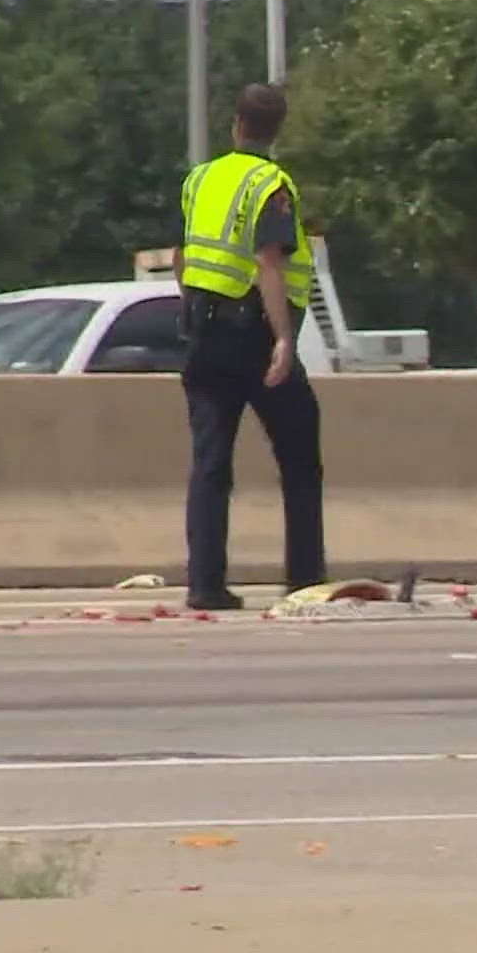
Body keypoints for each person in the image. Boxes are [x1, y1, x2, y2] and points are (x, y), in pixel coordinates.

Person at [173, 83, 326, 611]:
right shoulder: (271, 183)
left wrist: (192, 313)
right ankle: (305, 578)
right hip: (252, 334)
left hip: (203, 333)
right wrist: (283, 339)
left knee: (210, 462)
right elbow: (269, 261)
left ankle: (204, 584)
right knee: (300, 455)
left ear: (235, 123)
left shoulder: (201, 178)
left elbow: (182, 255)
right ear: (276, 129)